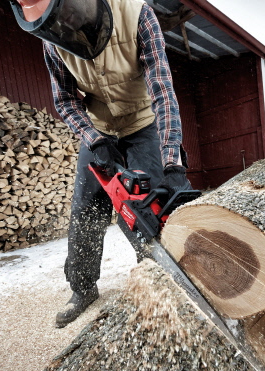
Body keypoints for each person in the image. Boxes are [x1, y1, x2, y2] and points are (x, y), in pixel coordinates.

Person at [11, 0, 193, 328]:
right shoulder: (52, 43)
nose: (65, 25)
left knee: (148, 210)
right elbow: (65, 100)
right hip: (99, 130)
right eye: (55, 23)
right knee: (85, 213)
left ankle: (164, 283)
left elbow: (163, 94)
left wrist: (173, 164)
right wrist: (94, 139)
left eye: (67, 15)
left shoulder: (137, 15)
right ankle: (82, 289)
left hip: (143, 122)